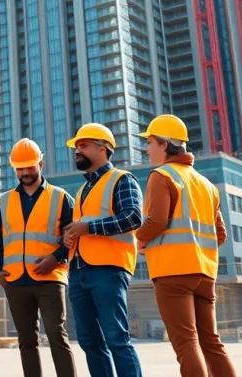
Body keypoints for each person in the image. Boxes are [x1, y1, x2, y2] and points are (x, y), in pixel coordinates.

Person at [134, 114, 237, 377]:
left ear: (164, 145)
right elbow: (220, 235)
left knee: (186, 343)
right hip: (205, 273)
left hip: (172, 272)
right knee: (211, 343)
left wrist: (139, 238)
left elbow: (156, 221)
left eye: (150, 142)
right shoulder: (206, 184)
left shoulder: (161, 176)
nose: (146, 149)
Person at [62, 123, 144, 377]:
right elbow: (82, 229)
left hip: (108, 270)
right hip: (78, 271)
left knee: (117, 339)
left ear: (103, 148)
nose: (77, 150)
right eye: (76, 146)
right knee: (89, 342)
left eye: (83, 145)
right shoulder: (83, 189)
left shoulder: (122, 179)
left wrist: (87, 228)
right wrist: (70, 238)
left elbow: (133, 218)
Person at [0, 138, 77, 377]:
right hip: (15, 281)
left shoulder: (61, 198)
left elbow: (72, 238)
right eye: (19, 168)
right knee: (26, 340)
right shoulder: (5, 200)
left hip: (50, 278)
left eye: (29, 167)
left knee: (55, 334)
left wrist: (56, 257)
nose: (24, 173)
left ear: (40, 163)